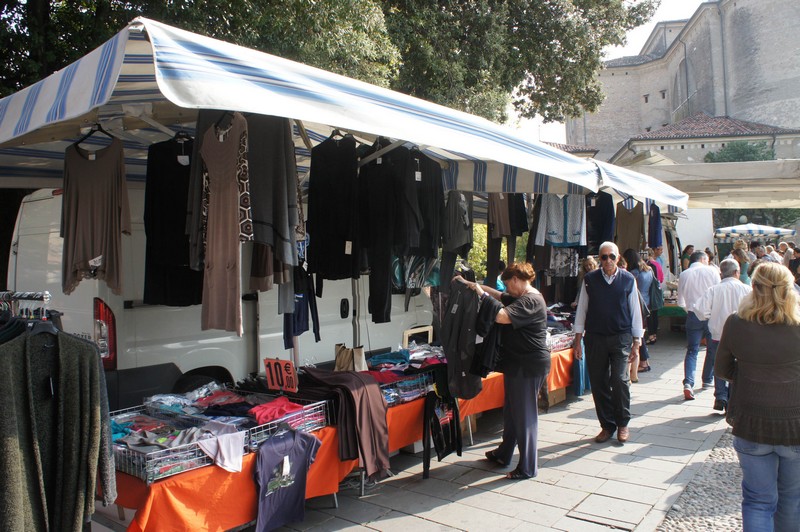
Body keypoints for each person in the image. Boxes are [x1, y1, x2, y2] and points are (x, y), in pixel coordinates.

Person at [715, 262, 800, 531]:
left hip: (751, 421)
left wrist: (748, 371)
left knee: (757, 501)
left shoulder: (736, 323)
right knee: (792, 500)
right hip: (795, 424)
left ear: (753, 287)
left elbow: (722, 370)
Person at [459, 263, 550, 480]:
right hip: (518, 364)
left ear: (517, 280)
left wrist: (480, 293)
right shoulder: (521, 297)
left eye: (508, 284)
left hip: (528, 366)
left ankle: (528, 467)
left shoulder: (531, 301)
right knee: (512, 412)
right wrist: (473, 285)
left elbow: (501, 316)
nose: (507, 289)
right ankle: (504, 453)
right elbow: (499, 295)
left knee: (525, 416)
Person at [573, 242, 643, 444]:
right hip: (595, 337)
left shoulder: (628, 279)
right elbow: (582, 310)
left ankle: (623, 423)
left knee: (619, 380)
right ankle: (607, 424)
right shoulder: (590, 280)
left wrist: (637, 342)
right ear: (600, 259)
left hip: (621, 336)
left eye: (612, 256)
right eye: (604, 257)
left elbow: (635, 311)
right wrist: (577, 339)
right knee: (598, 382)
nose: (608, 261)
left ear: (618, 257)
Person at [692, 258, 751, 412]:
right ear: (737, 272)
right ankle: (731, 397)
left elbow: (700, 310)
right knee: (736, 365)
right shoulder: (747, 290)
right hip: (740, 335)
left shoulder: (714, 290)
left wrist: (710, 316)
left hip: (717, 333)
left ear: (721, 273)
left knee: (719, 363)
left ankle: (720, 395)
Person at [677, 250, 720, 400]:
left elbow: (680, 301)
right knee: (712, 348)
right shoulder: (712, 271)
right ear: (703, 259)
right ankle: (707, 379)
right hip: (710, 314)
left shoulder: (684, 274)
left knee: (692, 350)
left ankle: (688, 382)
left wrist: (690, 309)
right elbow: (718, 292)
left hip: (693, 315)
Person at [623, 248, 655, 379]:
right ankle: (645, 361)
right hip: (646, 303)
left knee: (638, 335)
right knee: (641, 333)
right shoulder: (648, 270)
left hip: (637, 303)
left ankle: (643, 362)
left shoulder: (633, 274)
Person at [645, 248, 664, 345]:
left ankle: (651, 336)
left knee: (650, 315)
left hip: (650, 292)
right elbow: (661, 278)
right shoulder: (657, 264)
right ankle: (654, 335)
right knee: (655, 314)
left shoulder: (649, 265)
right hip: (657, 290)